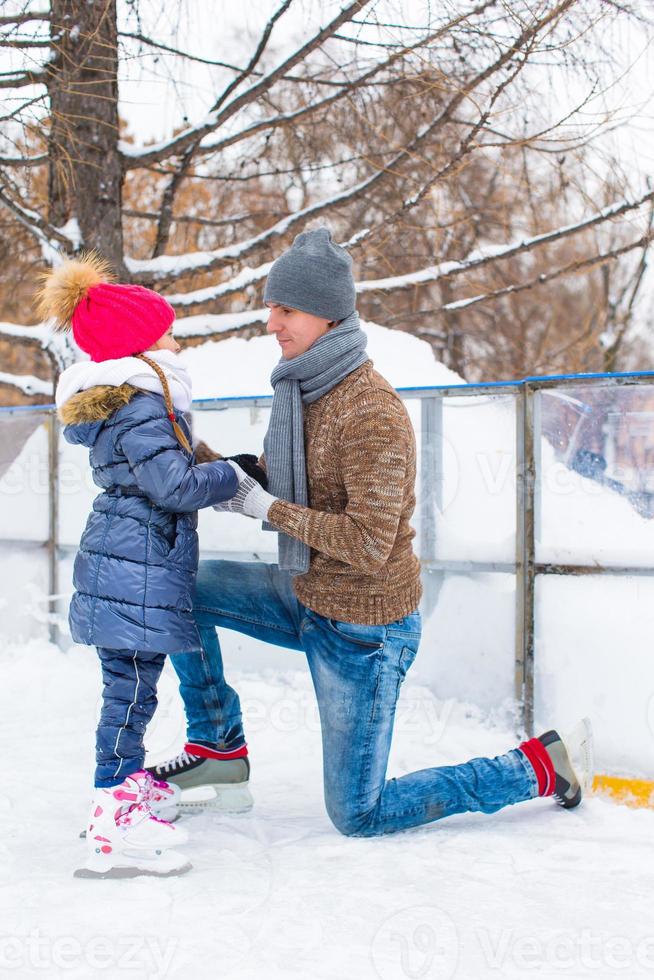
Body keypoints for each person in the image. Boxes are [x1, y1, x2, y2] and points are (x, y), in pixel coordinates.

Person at [151, 227, 593, 836]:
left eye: (287, 310)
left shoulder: (369, 408)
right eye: (271, 308)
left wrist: (262, 507)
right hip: (307, 591)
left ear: (329, 313)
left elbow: (367, 542)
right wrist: (173, 437)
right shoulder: (306, 388)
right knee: (179, 587)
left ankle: (539, 766)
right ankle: (218, 749)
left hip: (365, 629)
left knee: (359, 814)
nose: (273, 323)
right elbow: (278, 478)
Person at [40, 253, 258, 878]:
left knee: (132, 693)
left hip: (132, 565)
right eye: (166, 332)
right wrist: (234, 473)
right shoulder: (142, 405)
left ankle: (121, 792)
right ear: (140, 348)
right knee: (130, 696)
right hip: (133, 569)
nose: (176, 340)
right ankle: (112, 813)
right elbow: (175, 486)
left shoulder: (135, 402)